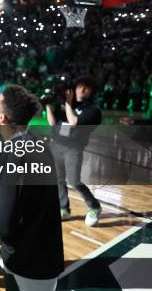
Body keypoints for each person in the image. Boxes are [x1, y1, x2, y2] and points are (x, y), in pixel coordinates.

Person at [0, 85, 64, 291]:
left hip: (26, 261)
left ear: (2, 119)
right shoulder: (37, 143)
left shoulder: (15, 154)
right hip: (46, 253)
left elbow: (3, 223)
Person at [45, 76, 102, 226]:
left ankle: (94, 206)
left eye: (86, 88)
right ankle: (64, 208)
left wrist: (68, 104)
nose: (81, 90)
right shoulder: (68, 104)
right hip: (56, 144)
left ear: (92, 92)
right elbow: (52, 123)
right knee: (58, 179)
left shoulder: (93, 110)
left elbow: (74, 123)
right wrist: (48, 106)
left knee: (74, 181)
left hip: (73, 149)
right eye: (79, 87)